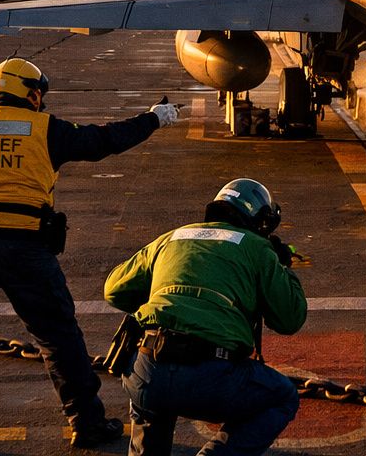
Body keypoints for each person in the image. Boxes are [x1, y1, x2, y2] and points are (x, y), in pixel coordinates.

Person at [0, 58, 182, 452]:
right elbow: (104, 140)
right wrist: (153, 119)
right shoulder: (46, 129)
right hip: (25, 246)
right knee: (58, 337)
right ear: (31, 94)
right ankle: (87, 423)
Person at [104, 178, 308, 456]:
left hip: (148, 369)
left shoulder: (172, 237)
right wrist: (283, 266)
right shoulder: (258, 248)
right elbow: (290, 319)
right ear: (261, 222)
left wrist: (161, 300)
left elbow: (113, 289)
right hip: (212, 377)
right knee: (282, 397)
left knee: (149, 404)